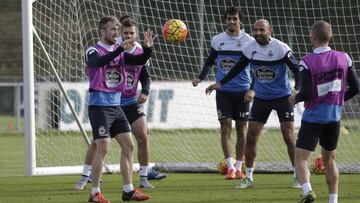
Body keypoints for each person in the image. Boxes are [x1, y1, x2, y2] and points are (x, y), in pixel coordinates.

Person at [206, 19, 301, 189]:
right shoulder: (250, 48)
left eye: (261, 30)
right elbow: (237, 67)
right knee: (251, 136)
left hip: (282, 97)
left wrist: (297, 89)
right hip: (261, 98)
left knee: (288, 136)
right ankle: (248, 177)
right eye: (255, 30)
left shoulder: (281, 48)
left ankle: (297, 174)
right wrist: (221, 83)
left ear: (269, 31)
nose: (257, 33)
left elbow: (297, 69)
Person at [74, 16, 165, 192]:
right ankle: (92, 186)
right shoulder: (93, 50)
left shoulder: (121, 50)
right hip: (100, 106)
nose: (117, 33)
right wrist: (119, 50)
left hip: (117, 106)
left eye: (118, 30)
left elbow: (140, 62)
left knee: (130, 145)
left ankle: (130, 189)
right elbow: (97, 63)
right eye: (114, 30)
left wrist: (148, 48)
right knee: (101, 145)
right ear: (102, 31)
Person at [289, 21, 359, 203]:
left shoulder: (307, 61)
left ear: (312, 37)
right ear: (330, 36)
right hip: (333, 118)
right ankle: (333, 200)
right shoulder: (345, 57)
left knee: (300, 158)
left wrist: (294, 98)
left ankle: (307, 191)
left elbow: (307, 93)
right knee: (329, 160)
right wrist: (338, 99)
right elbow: (356, 87)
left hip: (313, 118)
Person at [191, 6, 254, 180]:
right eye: (229, 19)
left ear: (240, 20)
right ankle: (231, 167)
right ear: (225, 20)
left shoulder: (249, 41)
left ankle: (240, 167)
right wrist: (200, 77)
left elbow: (256, 67)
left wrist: (252, 88)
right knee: (225, 126)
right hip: (223, 91)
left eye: (235, 18)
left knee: (242, 129)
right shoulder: (218, 40)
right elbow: (210, 60)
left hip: (243, 92)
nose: (231, 22)